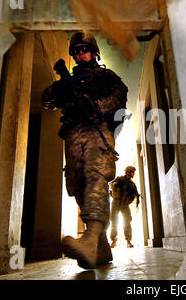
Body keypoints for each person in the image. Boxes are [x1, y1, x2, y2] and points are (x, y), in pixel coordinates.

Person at [42, 32, 128, 269]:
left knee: (95, 176)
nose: (80, 54)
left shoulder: (106, 76)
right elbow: (47, 101)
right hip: (72, 133)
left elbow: (120, 95)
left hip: (96, 129)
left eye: (84, 49)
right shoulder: (68, 81)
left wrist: (97, 106)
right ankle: (99, 249)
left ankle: (90, 238)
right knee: (78, 183)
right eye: (76, 50)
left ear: (94, 52)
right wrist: (55, 90)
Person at [109, 166, 140, 248]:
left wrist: (136, 201)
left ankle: (128, 241)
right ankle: (113, 240)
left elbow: (136, 194)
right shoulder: (119, 179)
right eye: (132, 172)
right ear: (128, 172)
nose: (134, 174)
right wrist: (115, 187)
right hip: (115, 203)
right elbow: (110, 185)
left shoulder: (132, 184)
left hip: (125, 205)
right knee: (114, 222)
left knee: (127, 222)